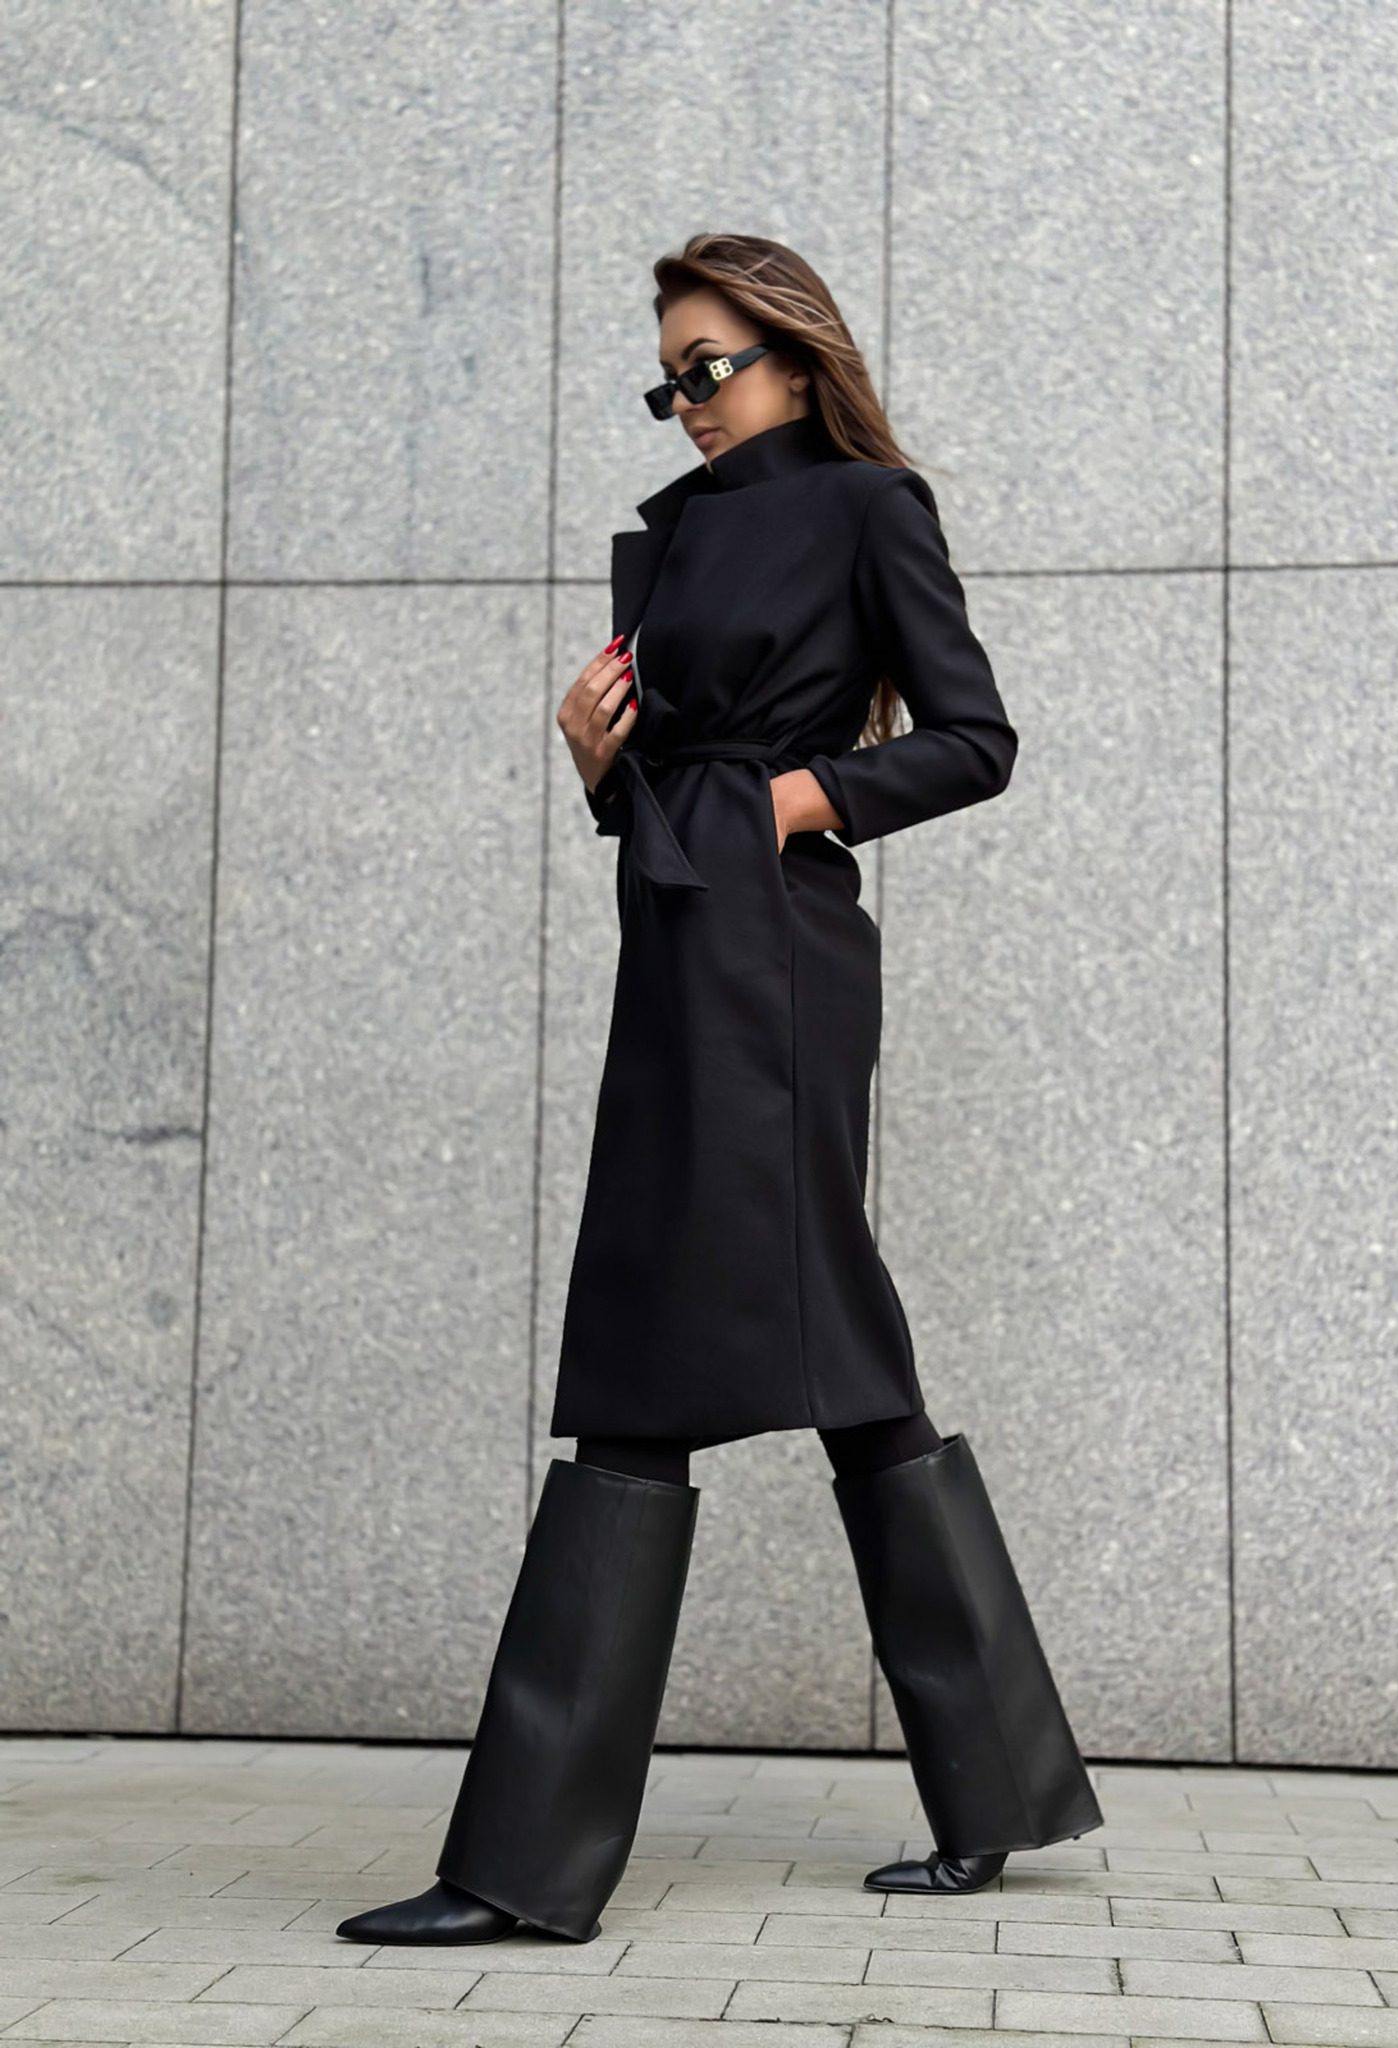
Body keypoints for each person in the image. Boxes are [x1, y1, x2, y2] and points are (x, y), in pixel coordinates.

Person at [337, 232, 1101, 1950]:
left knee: (686, 1356)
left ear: (795, 357)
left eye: (711, 368)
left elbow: (974, 740)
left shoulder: (868, 508)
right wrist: (600, 763)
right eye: (667, 379)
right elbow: (672, 780)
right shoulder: (678, 533)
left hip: (783, 965)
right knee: (798, 1354)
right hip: (680, 945)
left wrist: (789, 804)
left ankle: (524, 1866)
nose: (687, 403)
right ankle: (992, 1789)